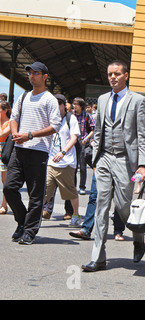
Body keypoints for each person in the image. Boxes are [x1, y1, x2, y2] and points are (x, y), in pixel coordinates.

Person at [81, 60, 145, 272]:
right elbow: (99, 130)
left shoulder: (138, 101)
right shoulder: (102, 100)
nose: (113, 77)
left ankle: (138, 237)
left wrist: (143, 165)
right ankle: (98, 258)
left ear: (126, 75)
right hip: (104, 159)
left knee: (122, 206)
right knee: (101, 206)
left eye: (117, 74)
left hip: (124, 160)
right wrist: (95, 158)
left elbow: (142, 136)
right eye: (110, 74)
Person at [4, 61, 61, 245]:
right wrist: (14, 133)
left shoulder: (49, 99)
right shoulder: (24, 97)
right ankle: (22, 221)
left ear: (45, 76)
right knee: (9, 188)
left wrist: (29, 135)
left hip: (38, 152)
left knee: (35, 195)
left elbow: (55, 126)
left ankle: (29, 231)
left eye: (36, 73)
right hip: (19, 150)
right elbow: (14, 118)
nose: (31, 76)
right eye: (29, 73)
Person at [43, 94, 81, 227]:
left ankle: (75, 215)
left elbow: (74, 138)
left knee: (70, 192)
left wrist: (63, 152)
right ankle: (33, 217)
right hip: (50, 162)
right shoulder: (49, 118)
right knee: (44, 191)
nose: (56, 106)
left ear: (64, 105)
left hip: (66, 162)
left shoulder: (71, 119)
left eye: (59, 103)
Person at [72, 97, 95, 195]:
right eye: (73, 104)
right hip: (73, 144)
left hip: (83, 143)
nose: (74, 106)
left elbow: (93, 129)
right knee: (73, 167)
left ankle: (82, 187)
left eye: (76, 104)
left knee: (82, 167)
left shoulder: (87, 116)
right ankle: (73, 187)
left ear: (81, 106)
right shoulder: (71, 116)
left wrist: (87, 139)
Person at [0, 101, 11, 214]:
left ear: (5, 110)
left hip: (4, 151)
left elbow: (2, 134)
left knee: (5, 180)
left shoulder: (10, 123)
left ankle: (4, 205)